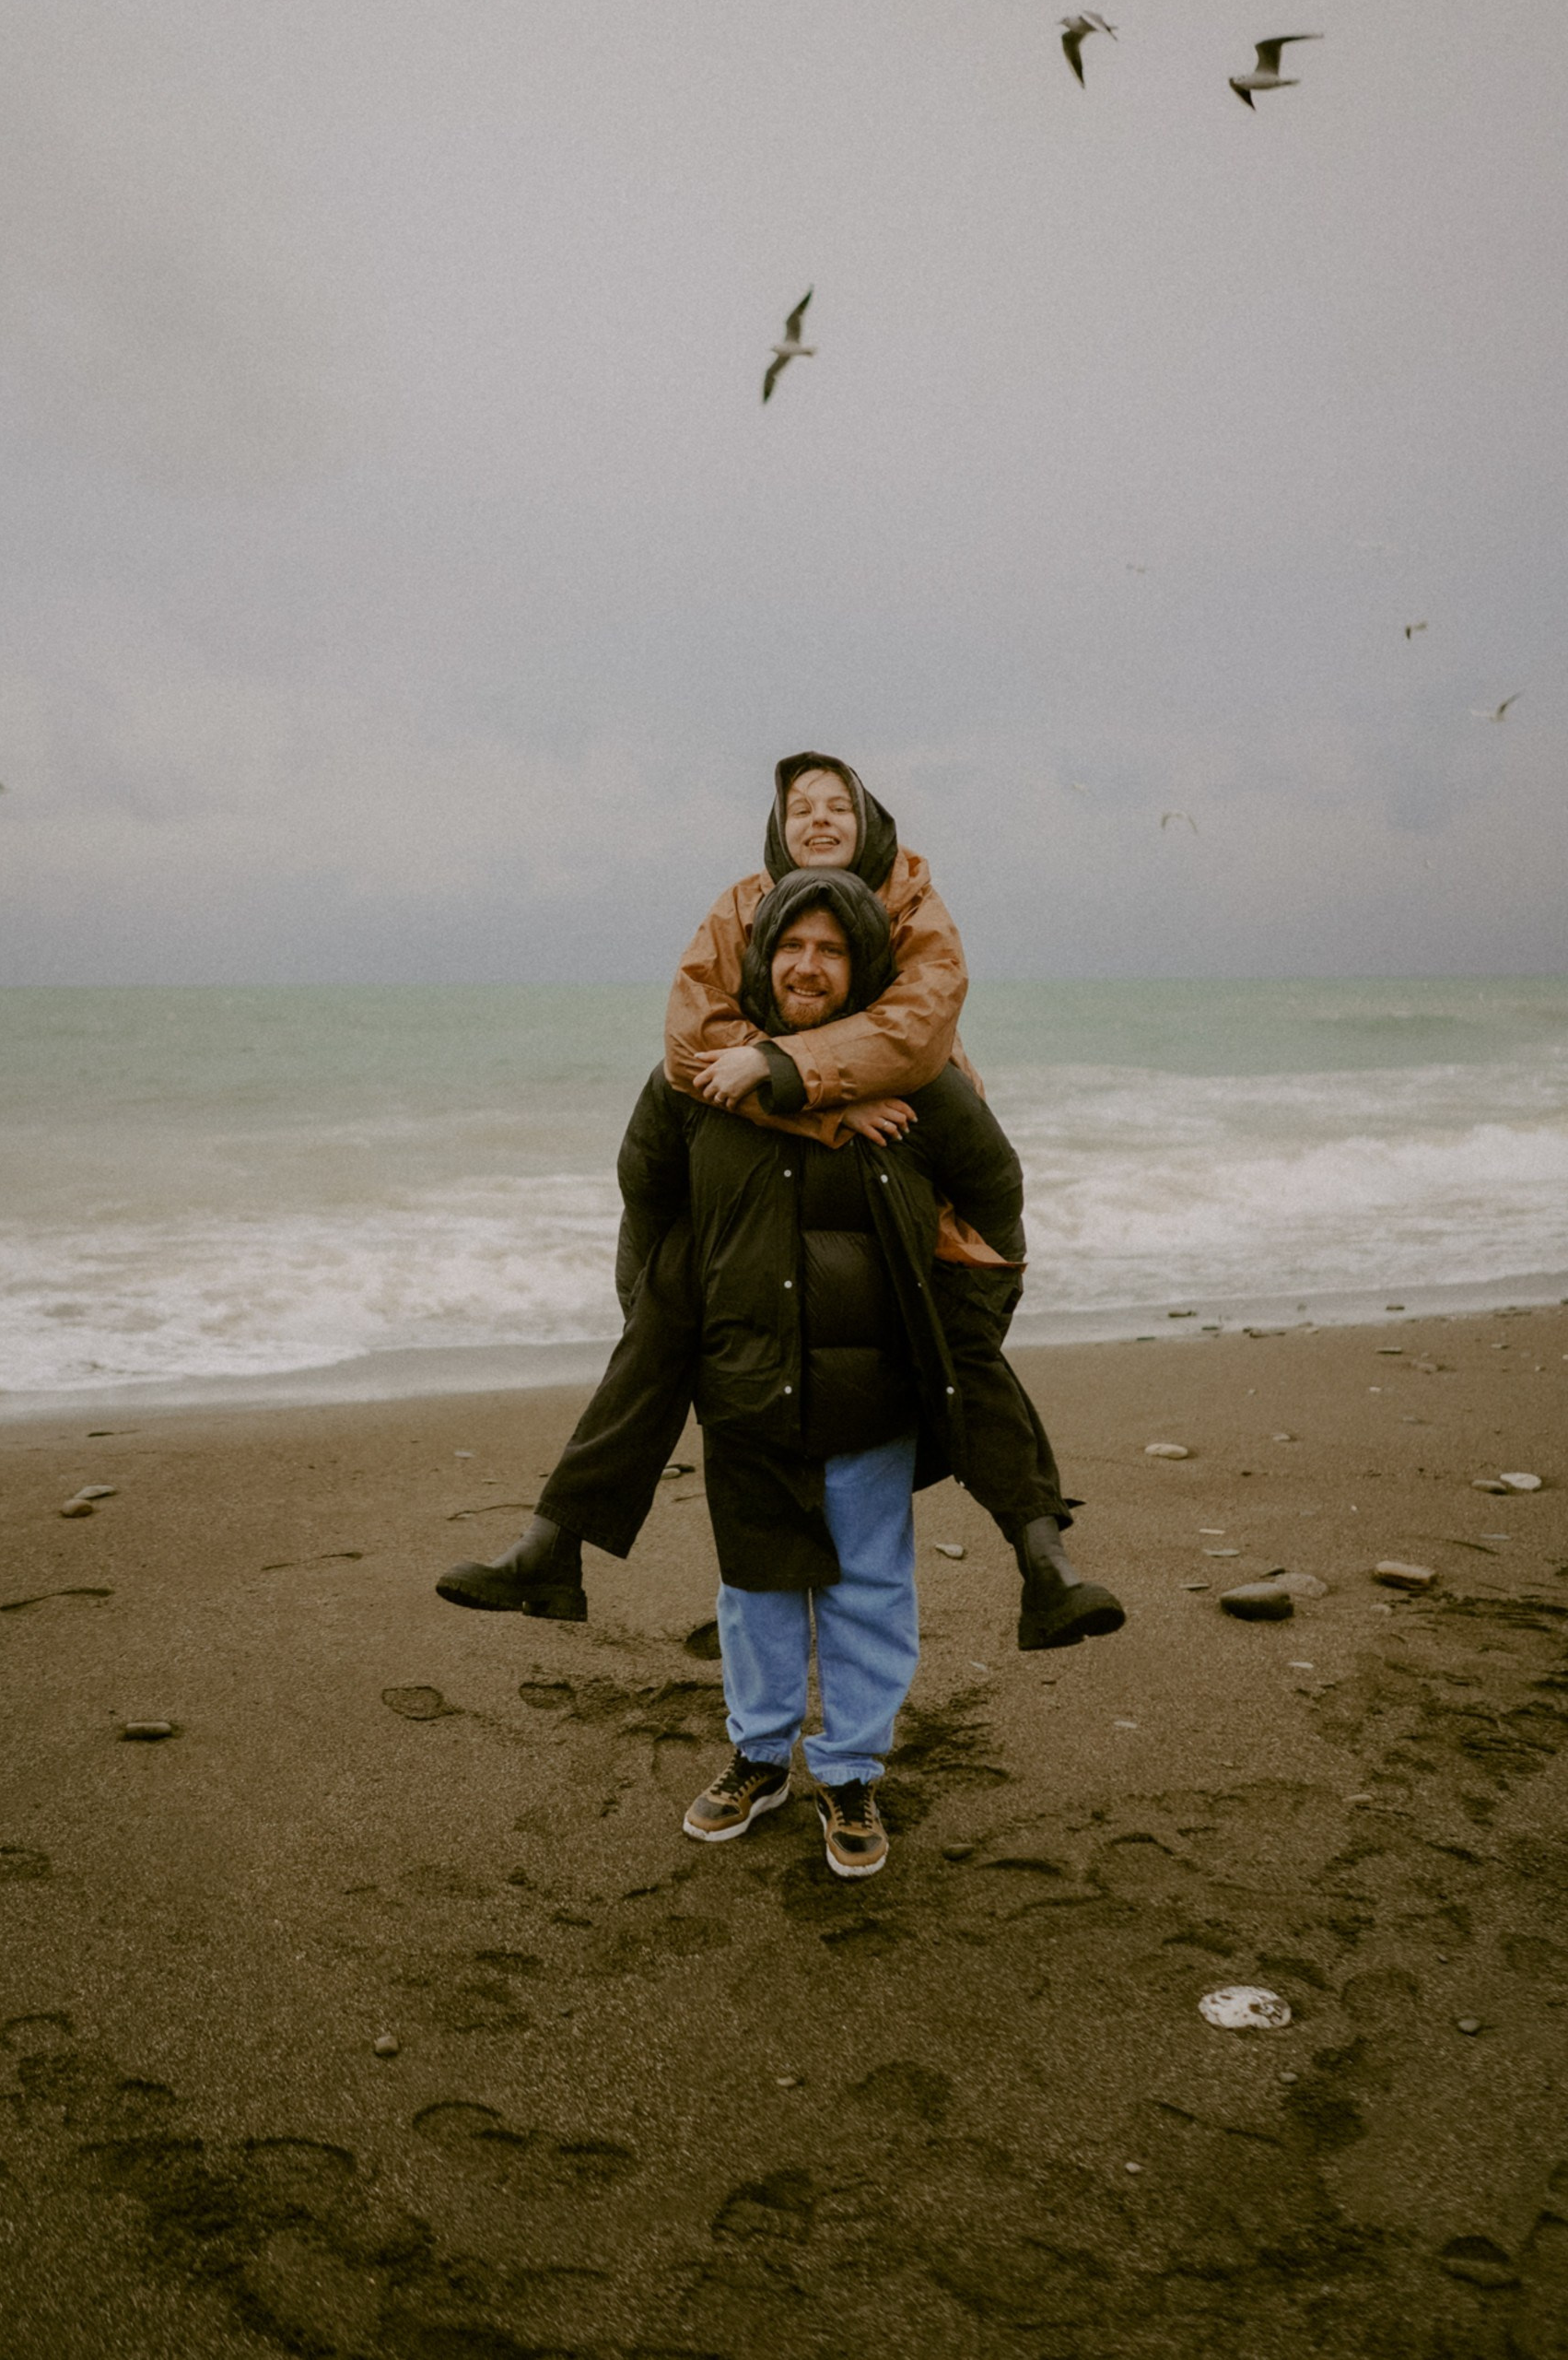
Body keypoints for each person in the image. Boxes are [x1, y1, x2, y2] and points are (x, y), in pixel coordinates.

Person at [436, 753, 1122, 1654]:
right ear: (778, 828)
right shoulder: (742, 904)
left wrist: (802, 1073)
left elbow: (916, 1034)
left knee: (955, 1337)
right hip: (756, 1152)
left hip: (897, 1149)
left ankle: (1045, 1562)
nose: (819, 819)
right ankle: (552, 1546)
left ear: (869, 823)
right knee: (670, 1310)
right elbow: (690, 1046)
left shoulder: (915, 903)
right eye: (801, 807)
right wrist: (807, 1095)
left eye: (839, 805)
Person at [622, 868, 1035, 1877]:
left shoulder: (916, 1078)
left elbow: (996, 1201)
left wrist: (960, 1335)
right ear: (763, 957)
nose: (807, 966)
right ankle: (759, 1758)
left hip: (873, 1390)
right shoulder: (702, 1074)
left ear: (862, 965)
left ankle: (851, 1772)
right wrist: (663, 1330)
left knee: (868, 1588)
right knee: (755, 1588)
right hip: (745, 1381)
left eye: (831, 950)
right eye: (791, 947)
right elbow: (646, 1202)